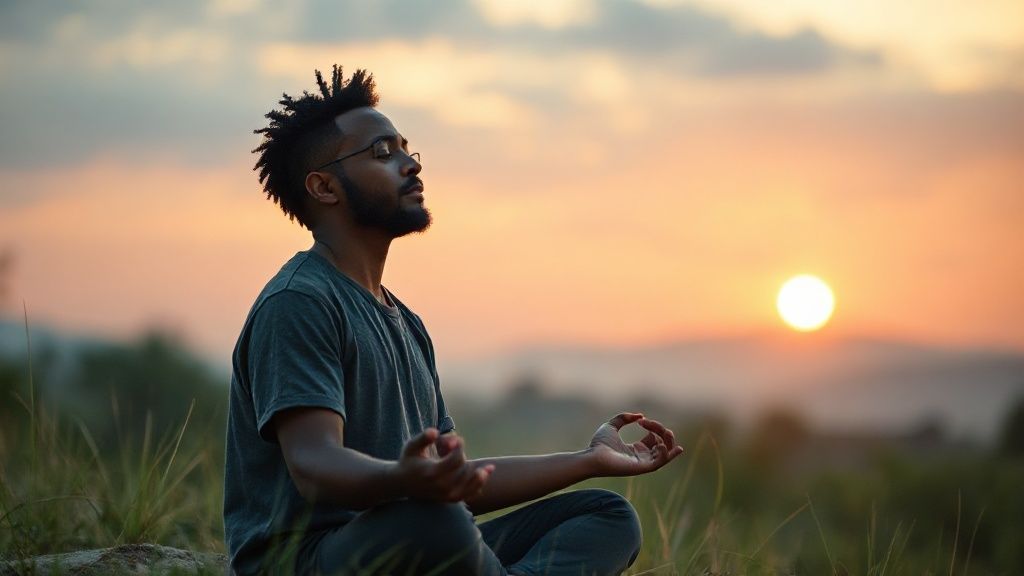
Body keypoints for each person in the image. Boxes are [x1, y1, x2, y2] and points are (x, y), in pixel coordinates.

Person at [223, 65, 685, 576]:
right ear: (324, 187)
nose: (410, 166)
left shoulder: (406, 323)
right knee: (437, 523)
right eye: (382, 153)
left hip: (413, 535)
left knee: (605, 514)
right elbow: (314, 466)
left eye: (405, 149)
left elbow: (456, 480)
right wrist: (408, 480)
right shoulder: (300, 302)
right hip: (306, 561)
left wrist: (588, 460)